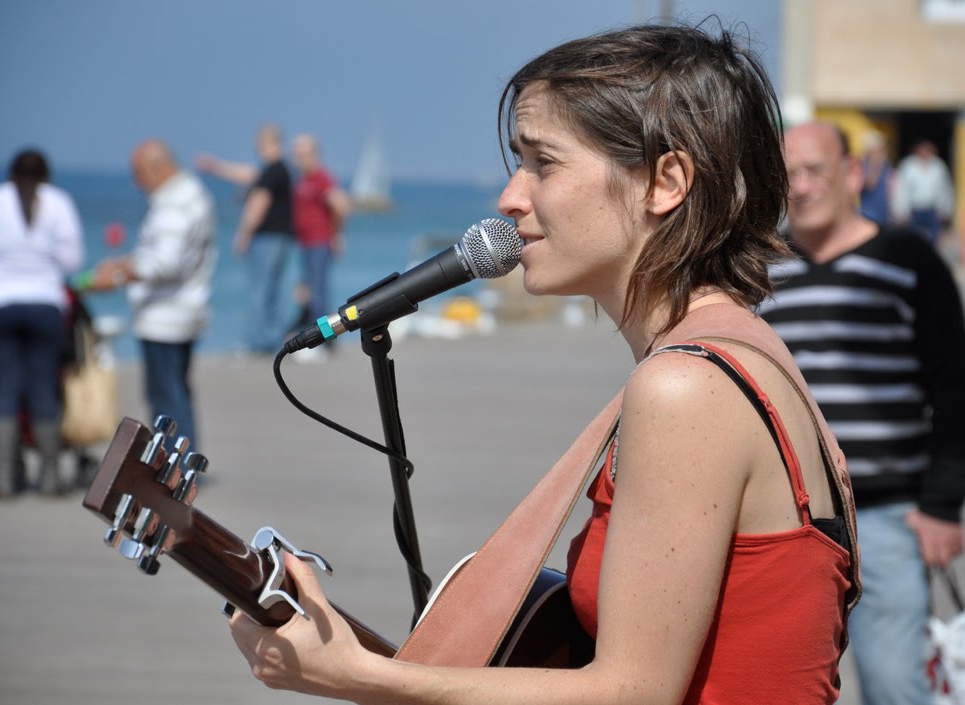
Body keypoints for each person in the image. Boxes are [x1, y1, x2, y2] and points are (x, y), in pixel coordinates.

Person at [228, 24, 861, 704]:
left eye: (543, 163)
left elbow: (634, 691)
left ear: (665, 181)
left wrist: (359, 676)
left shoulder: (687, 386)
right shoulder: (746, 351)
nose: (509, 197)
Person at [760, 121, 965, 705]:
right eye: (788, 175)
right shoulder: (759, 269)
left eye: (815, 170)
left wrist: (942, 507)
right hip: (786, 523)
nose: (800, 187)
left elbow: (953, 387)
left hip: (889, 517)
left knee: (896, 687)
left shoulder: (909, 259)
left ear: (854, 174)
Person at [91, 140, 216, 451]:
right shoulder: (193, 194)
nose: (136, 182)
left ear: (158, 168)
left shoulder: (174, 203)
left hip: (166, 316)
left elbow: (165, 261)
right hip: (186, 309)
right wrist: (122, 262)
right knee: (176, 392)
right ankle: (182, 464)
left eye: (139, 173)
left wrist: (118, 276)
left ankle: (175, 468)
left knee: (166, 399)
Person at [0, 149, 85, 497]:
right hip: (44, 304)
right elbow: (73, 260)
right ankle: (50, 478)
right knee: (44, 388)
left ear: (11, 174)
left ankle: (3, 480)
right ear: (46, 176)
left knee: (5, 389)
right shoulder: (58, 202)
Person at [196, 124, 294, 354]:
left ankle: (256, 341)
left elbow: (259, 202)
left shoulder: (274, 170)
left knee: (259, 289)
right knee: (273, 290)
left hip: (267, 238)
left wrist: (244, 234)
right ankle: (273, 338)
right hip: (281, 238)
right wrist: (216, 167)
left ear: (267, 141)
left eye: (259, 140)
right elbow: (248, 174)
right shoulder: (280, 169)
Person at [289, 133, 351, 337]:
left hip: (320, 243)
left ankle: (325, 338)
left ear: (312, 154)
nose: (297, 158)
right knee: (306, 294)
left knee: (318, 295)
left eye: (301, 154)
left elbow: (341, 204)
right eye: (296, 154)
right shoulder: (302, 178)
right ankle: (313, 334)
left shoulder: (320, 177)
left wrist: (336, 234)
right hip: (306, 243)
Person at [893, 139, 955, 244]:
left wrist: (946, 209)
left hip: (933, 209)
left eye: (928, 150)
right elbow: (902, 190)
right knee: (913, 239)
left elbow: (945, 189)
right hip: (914, 209)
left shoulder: (939, 166)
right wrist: (901, 211)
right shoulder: (908, 166)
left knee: (934, 239)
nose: (925, 152)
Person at [859, 129, 894, 224]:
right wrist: (876, 165)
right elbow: (870, 184)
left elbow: (890, 188)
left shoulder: (885, 164)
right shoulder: (865, 164)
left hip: (884, 211)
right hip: (869, 211)